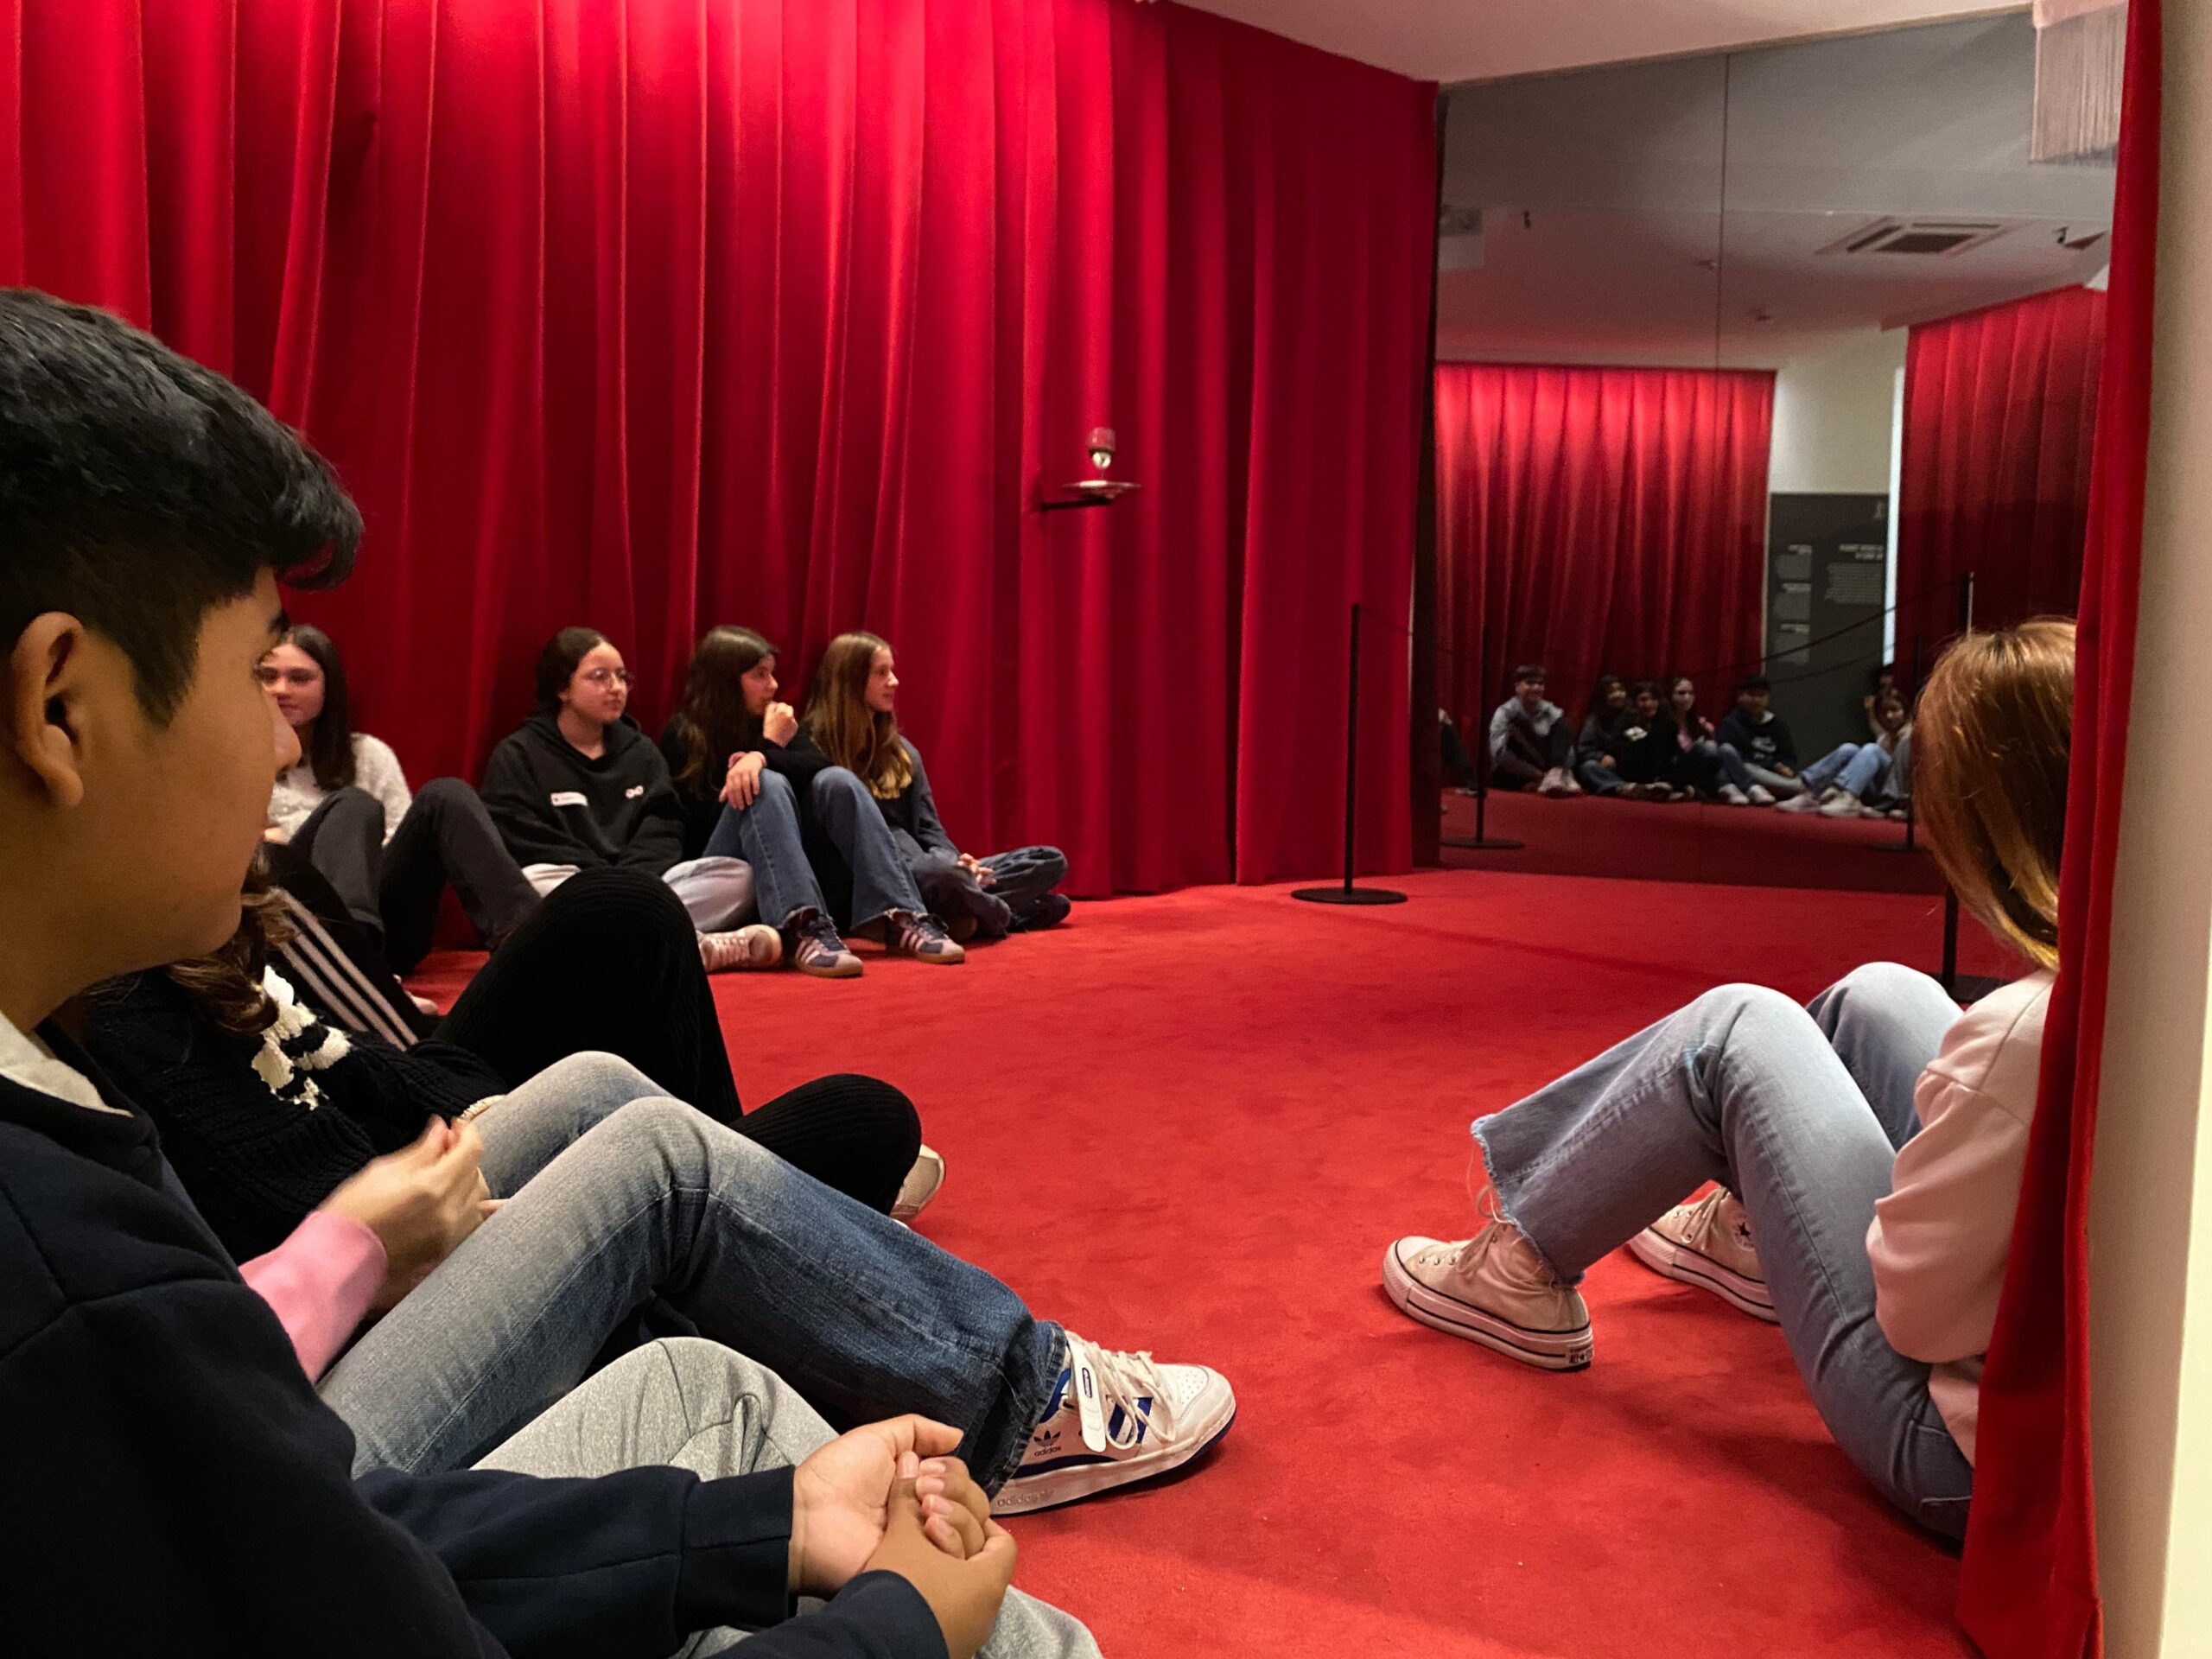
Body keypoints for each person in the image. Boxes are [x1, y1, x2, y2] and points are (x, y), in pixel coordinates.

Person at [0, 288, 1032, 1656]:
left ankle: (867, 1311)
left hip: (409, 1191)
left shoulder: (75, 1161)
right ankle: (1020, 1390)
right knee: (678, 1157)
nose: (278, 740)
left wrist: (757, 1526)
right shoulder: (74, 1248)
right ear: (60, 708)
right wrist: (901, 1625)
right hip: (377, 1274)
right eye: (255, 675)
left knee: (693, 1260)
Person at [1381, 618, 2075, 1540]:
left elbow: (1917, 1319)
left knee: (1734, 1030)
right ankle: (1747, 1236)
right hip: (2061, 1398)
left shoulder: (2020, 1031)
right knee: (1879, 994)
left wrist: (1847, 1221)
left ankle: (1518, 1266)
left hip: (1969, 1455)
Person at [663, 626, 962, 976]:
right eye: (760, 675)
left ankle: (902, 914)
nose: (773, 685)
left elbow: (820, 767)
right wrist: (768, 750)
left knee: (837, 780)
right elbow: (701, 822)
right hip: (727, 873)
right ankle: (800, 924)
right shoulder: (686, 736)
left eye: (772, 674)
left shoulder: (780, 724)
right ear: (726, 680)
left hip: (786, 871)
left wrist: (761, 754)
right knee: (766, 784)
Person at [480, 627, 778, 973]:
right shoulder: (519, 755)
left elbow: (664, 823)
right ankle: (692, 947)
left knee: (739, 877)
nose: (616, 688)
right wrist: (603, 881)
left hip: (642, 884)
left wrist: (631, 882)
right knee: (532, 882)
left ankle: (616, 946)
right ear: (562, 688)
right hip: (574, 887)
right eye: (599, 677)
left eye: (622, 677)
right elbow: (521, 836)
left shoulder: (640, 751)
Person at [260, 624, 538, 972]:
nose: (281, 689)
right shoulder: (234, 760)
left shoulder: (367, 754)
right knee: (353, 805)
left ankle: (530, 943)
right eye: (268, 677)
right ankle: (354, 961)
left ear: (329, 687)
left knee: (444, 794)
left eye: (299, 678)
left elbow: (401, 840)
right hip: (296, 928)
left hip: (387, 925)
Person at [805, 633, 1071, 941]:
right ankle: (999, 915)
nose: (894, 681)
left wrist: (957, 862)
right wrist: (946, 872)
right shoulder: (813, 751)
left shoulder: (900, 752)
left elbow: (929, 827)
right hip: (871, 882)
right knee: (945, 878)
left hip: (925, 867)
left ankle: (960, 907)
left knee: (1049, 860)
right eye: (881, 673)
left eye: (892, 670)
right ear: (851, 681)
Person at [1779, 689, 1915, 820]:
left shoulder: (1912, 736)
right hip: (1874, 791)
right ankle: (1810, 791)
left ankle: (1847, 797)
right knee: (1848, 749)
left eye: (1894, 710)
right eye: (1883, 713)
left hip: (1895, 795)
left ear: (1906, 710)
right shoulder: (1884, 738)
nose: (1889, 716)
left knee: (1871, 749)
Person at [1666, 676, 1774, 805]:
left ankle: (1749, 788)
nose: (1687, 697)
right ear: (1670, 695)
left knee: (1726, 748)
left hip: (1707, 772)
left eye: (1691, 693)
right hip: (1680, 773)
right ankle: (1729, 786)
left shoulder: (1701, 724)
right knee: (1709, 746)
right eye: (1681, 693)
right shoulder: (1664, 724)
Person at [1485, 664, 1580, 797]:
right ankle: (1544, 781)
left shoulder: (1552, 711)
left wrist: (1561, 769)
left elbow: (1566, 747)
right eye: (1530, 683)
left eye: (1540, 684)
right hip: (1518, 769)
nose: (1536, 688)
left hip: (1548, 767)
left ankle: (1556, 776)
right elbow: (1499, 754)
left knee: (1563, 724)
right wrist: (1537, 774)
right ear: (1517, 686)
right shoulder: (1505, 713)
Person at [1713, 674, 1803, 798]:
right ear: (1740, 696)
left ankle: (1797, 787)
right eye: (1751, 694)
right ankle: (1800, 788)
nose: (1756, 700)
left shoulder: (1778, 725)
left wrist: (1787, 768)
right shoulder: (1730, 724)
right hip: (1748, 773)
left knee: (1801, 776)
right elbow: (1732, 759)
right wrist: (1772, 766)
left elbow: (1789, 755)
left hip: (1776, 774)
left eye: (1761, 695)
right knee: (1745, 766)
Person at [1572, 676, 1631, 798]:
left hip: (1631, 765)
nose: (1618, 695)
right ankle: (1623, 787)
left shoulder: (1635, 716)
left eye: (1621, 690)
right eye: (1611, 692)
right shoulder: (1594, 720)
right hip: (1609, 767)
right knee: (1589, 767)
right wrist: (1601, 757)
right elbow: (1584, 749)